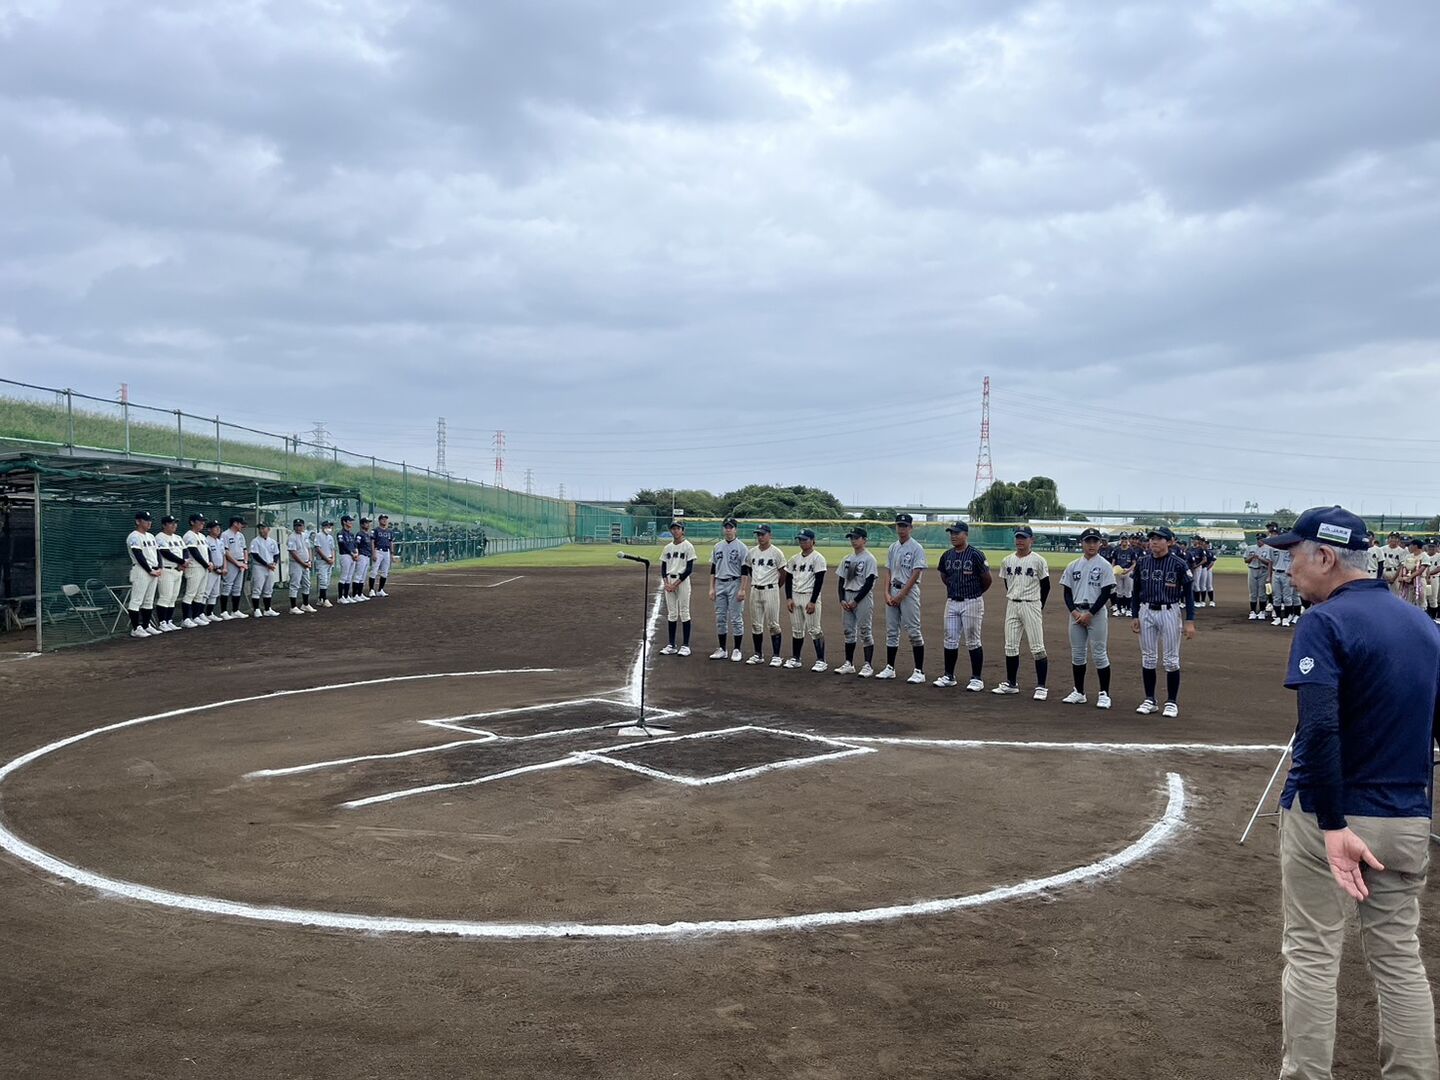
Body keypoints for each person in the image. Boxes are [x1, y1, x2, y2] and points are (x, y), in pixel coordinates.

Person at [1265, 505, 1440, 1080]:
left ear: (1325, 556)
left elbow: (1318, 729)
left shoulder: (1324, 622)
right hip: (1406, 815)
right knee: (1399, 959)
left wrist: (1334, 824)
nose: (1288, 567)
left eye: (1294, 555)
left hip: (1329, 816)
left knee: (1312, 954)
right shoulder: (1424, 626)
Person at [1130, 526, 1196, 717]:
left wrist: (1190, 621)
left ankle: (1171, 702)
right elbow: (1135, 591)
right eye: (1152, 538)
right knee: (1148, 657)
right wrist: (1134, 615)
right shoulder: (1142, 562)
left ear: (1169, 542)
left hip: (1170, 611)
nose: (1154, 542)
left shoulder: (1179, 564)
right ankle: (1150, 699)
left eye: (1159, 539)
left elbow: (1189, 595)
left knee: (1171, 660)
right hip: (1146, 610)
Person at [1060, 528, 1116, 709]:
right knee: (1077, 654)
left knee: (1099, 653)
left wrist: (1090, 614)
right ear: (1082, 543)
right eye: (1088, 541)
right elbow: (1067, 592)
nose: (1091, 545)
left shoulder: (1105, 565)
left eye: (1095, 541)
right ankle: (1079, 692)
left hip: (1096, 613)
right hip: (1077, 613)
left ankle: (1104, 693)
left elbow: (1106, 593)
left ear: (1100, 544)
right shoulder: (1073, 565)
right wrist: (1075, 613)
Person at [992, 525, 1050, 699]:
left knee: (1037, 647)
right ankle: (1011, 684)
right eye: (1018, 537)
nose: (1020, 541)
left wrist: (1039, 605)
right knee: (1010, 646)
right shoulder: (1007, 560)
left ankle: (1041, 687)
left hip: (1031, 604)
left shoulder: (1039, 561)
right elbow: (1008, 583)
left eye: (1023, 537)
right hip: (1012, 604)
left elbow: (1046, 586)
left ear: (1031, 540)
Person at [934, 522, 990, 690]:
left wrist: (975, 592)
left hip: (972, 601)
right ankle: (949, 676)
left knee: (973, 640)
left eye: (957, 533)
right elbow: (945, 576)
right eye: (951, 533)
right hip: (952, 601)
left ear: (966, 534)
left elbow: (987, 579)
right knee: (950, 639)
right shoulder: (947, 555)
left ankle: (977, 679)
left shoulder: (976, 555)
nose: (953, 536)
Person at [879, 513, 927, 683]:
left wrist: (902, 594)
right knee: (891, 631)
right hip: (893, 590)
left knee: (913, 630)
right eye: (899, 525)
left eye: (905, 526)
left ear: (911, 528)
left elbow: (916, 573)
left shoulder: (916, 548)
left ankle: (919, 671)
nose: (901, 529)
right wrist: (886, 593)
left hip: (909, 592)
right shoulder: (893, 547)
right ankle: (890, 668)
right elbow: (888, 571)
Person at [835, 527, 878, 677]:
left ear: (864, 540)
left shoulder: (869, 559)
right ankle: (849, 663)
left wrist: (856, 600)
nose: (853, 540)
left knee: (865, 631)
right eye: (851, 538)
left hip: (862, 597)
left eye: (856, 537)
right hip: (847, 595)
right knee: (848, 631)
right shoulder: (847, 558)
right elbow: (841, 581)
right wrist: (842, 599)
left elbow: (869, 582)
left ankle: (868, 665)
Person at [740, 525, 786, 666]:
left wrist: (775, 586)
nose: (760, 537)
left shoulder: (776, 553)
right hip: (755, 590)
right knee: (756, 624)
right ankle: (758, 654)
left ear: (769, 535)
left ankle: (776, 656)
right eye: (758, 534)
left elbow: (783, 573)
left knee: (773, 624)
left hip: (771, 590)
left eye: (762, 534)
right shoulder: (752, 552)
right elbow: (748, 568)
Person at [784, 529, 827, 671]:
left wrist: (813, 601)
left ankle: (821, 661)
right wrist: (789, 598)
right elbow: (788, 579)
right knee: (797, 630)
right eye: (800, 540)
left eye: (805, 539)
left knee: (814, 629)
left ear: (813, 541)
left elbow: (819, 581)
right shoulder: (794, 559)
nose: (802, 542)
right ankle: (796, 659)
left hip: (809, 596)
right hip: (795, 596)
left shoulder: (818, 558)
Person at [708, 517, 746, 662]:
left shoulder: (741, 547)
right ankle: (722, 649)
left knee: (736, 618)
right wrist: (711, 588)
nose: (728, 530)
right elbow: (713, 568)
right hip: (720, 583)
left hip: (735, 582)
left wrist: (742, 589)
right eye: (726, 527)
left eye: (731, 527)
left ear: (736, 529)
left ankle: (737, 649)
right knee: (720, 618)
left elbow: (745, 570)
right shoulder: (717, 546)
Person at [659, 520, 696, 656]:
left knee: (684, 612)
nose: (675, 531)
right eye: (673, 528)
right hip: (669, 580)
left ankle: (685, 645)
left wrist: (675, 584)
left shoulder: (688, 546)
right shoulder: (667, 548)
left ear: (682, 531)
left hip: (682, 581)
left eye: (678, 528)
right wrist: (666, 583)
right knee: (672, 613)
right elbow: (663, 567)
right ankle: (671, 645)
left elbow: (689, 569)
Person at [124, 510, 162, 638]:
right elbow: (138, 555)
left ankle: (146, 625)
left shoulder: (151, 536)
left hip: (154, 570)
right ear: (138, 521)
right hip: (141, 570)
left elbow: (157, 553)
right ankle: (136, 628)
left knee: (149, 600)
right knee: (136, 600)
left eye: (150, 520)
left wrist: (159, 567)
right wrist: (149, 570)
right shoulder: (134, 536)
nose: (149, 523)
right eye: (146, 520)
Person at [153, 515, 188, 632]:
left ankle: (169, 621)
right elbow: (165, 553)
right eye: (171, 523)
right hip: (166, 570)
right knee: (165, 597)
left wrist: (184, 562)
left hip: (178, 570)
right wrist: (182, 561)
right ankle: (162, 622)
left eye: (175, 523)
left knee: (173, 597)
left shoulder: (178, 537)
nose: (174, 525)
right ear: (164, 525)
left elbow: (185, 551)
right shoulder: (160, 537)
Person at [180, 513, 212, 628]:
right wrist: (206, 564)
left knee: (200, 593)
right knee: (191, 593)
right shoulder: (189, 535)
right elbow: (194, 552)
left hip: (203, 567)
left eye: (203, 521)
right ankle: (186, 618)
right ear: (192, 522)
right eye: (200, 521)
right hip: (194, 567)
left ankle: (196, 616)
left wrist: (210, 562)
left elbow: (208, 551)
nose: (202, 523)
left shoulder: (202, 536)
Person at [249, 522, 281, 617]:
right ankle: (256, 609)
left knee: (269, 588)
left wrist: (274, 563)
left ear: (268, 529)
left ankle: (267, 609)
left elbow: (276, 554)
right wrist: (266, 564)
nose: (261, 530)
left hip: (270, 567)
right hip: (259, 567)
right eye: (260, 528)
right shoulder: (255, 541)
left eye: (263, 528)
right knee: (257, 588)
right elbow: (255, 555)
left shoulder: (272, 541)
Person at [221, 516, 251, 619]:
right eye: (241, 524)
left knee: (237, 588)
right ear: (235, 523)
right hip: (231, 563)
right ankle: (223, 611)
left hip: (241, 563)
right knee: (227, 586)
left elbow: (245, 550)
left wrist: (245, 563)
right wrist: (237, 563)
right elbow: (226, 551)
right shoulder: (225, 534)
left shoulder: (240, 535)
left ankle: (235, 610)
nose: (242, 526)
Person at [286, 518, 316, 615]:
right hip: (296, 564)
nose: (298, 527)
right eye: (296, 526)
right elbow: (293, 552)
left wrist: (310, 560)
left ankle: (305, 604)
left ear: (303, 526)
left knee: (307, 583)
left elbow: (309, 548)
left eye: (300, 525)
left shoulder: (305, 535)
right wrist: (303, 563)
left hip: (306, 563)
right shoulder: (292, 537)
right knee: (295, 584)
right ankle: (293, 607)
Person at [1244, 531, 1271, 620]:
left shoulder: (1268, 549)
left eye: (1261, 539)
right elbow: (1246, 560)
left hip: (1263, 570)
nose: (1259, 541)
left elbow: (1269, 562)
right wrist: (1252, 557)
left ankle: (1262, 611)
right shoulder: (1250, 548)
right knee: (1253, 592)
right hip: (1252, 569)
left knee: (1262, 593)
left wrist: (1260, 558)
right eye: (1258, 539)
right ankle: (1252, 611)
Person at [1111, 534, 1140, 617]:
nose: (1124, 541)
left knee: (1128, 592)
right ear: (1120, 540)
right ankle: (1119, 609)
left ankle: (1128, 609)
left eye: (1125, 539)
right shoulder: (1116, 550)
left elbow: (1134, 563)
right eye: (1122, 539)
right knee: (1119, 592)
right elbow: (1113, 562)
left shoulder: (1131, 551)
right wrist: (1113, 569)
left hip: (1128, 571)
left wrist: (1129, 570)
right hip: (1118, 572)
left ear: (1128, 540)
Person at [204, 520, 226, 621]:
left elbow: (223, 555)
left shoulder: (219, 541)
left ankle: (209, 613)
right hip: (210, 570)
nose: (218, 529)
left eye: (219, 527)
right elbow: (207, 556)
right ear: (209, 529)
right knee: (206, 592)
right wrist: (215, 568)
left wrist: (224, 568)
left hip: (219, 570)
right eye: (215, 527)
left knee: (215, 593)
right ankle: (200, 613)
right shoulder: (206, 540)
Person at [369, 514, 394, 597]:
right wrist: (373, 553)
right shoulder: (375, 530)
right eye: (383, 519)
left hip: (386, 551)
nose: (384, 521)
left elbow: (391, 542)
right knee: (374, 571)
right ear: (379, 520)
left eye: (385, 519)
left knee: (385, 572)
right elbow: (372, 541)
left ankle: (380, 590)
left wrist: (392, 553)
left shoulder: (389, 531)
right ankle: (371, 590)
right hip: (378, 550)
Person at [336, 515, 360, 604]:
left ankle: (346, 596)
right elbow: (343, 545)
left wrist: (356, 553)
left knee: (349, 577)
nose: (351, 523)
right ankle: (340, 597)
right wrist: (352, 553)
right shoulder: (340, 533)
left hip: (352, 556)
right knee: (344, 576)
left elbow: (354, 545)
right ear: (344, 522)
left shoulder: (351, 534)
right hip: (345, 555)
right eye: (349, 521)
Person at [313, 520, 336, 607]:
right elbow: (318, 548)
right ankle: (324, 599)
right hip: (322, 560)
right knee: (323, 580)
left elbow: (332, 549)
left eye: (330, 526)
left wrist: (333, 558)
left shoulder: (330, 537)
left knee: (327, 581)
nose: (329, 528)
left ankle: (320, 599)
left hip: (329, 560)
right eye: (327, 526)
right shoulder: (319, 535)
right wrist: (326, 559)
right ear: (323, 527)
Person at [355, 517, 374, 600]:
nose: (368, 524)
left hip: (367, 556)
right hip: (361, 555)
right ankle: (355, 594)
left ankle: (360, 593)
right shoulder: (360, 534)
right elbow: (356, 544)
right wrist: (357, 554)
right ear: (362, 524)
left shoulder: (367, 534)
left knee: (363, 576)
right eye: (366, 523)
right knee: (358, 575)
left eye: (368, 523)